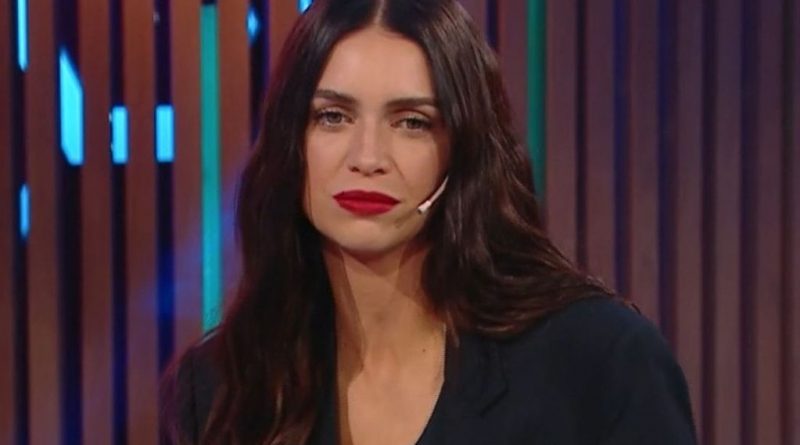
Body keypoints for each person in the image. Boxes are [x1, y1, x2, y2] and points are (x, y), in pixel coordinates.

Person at [162, 0, 697, 443]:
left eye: (412, 123)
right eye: (333, 116)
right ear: (291, 142)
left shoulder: (598, 362)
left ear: (461, 151)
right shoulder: (220, 390)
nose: (367, 157)